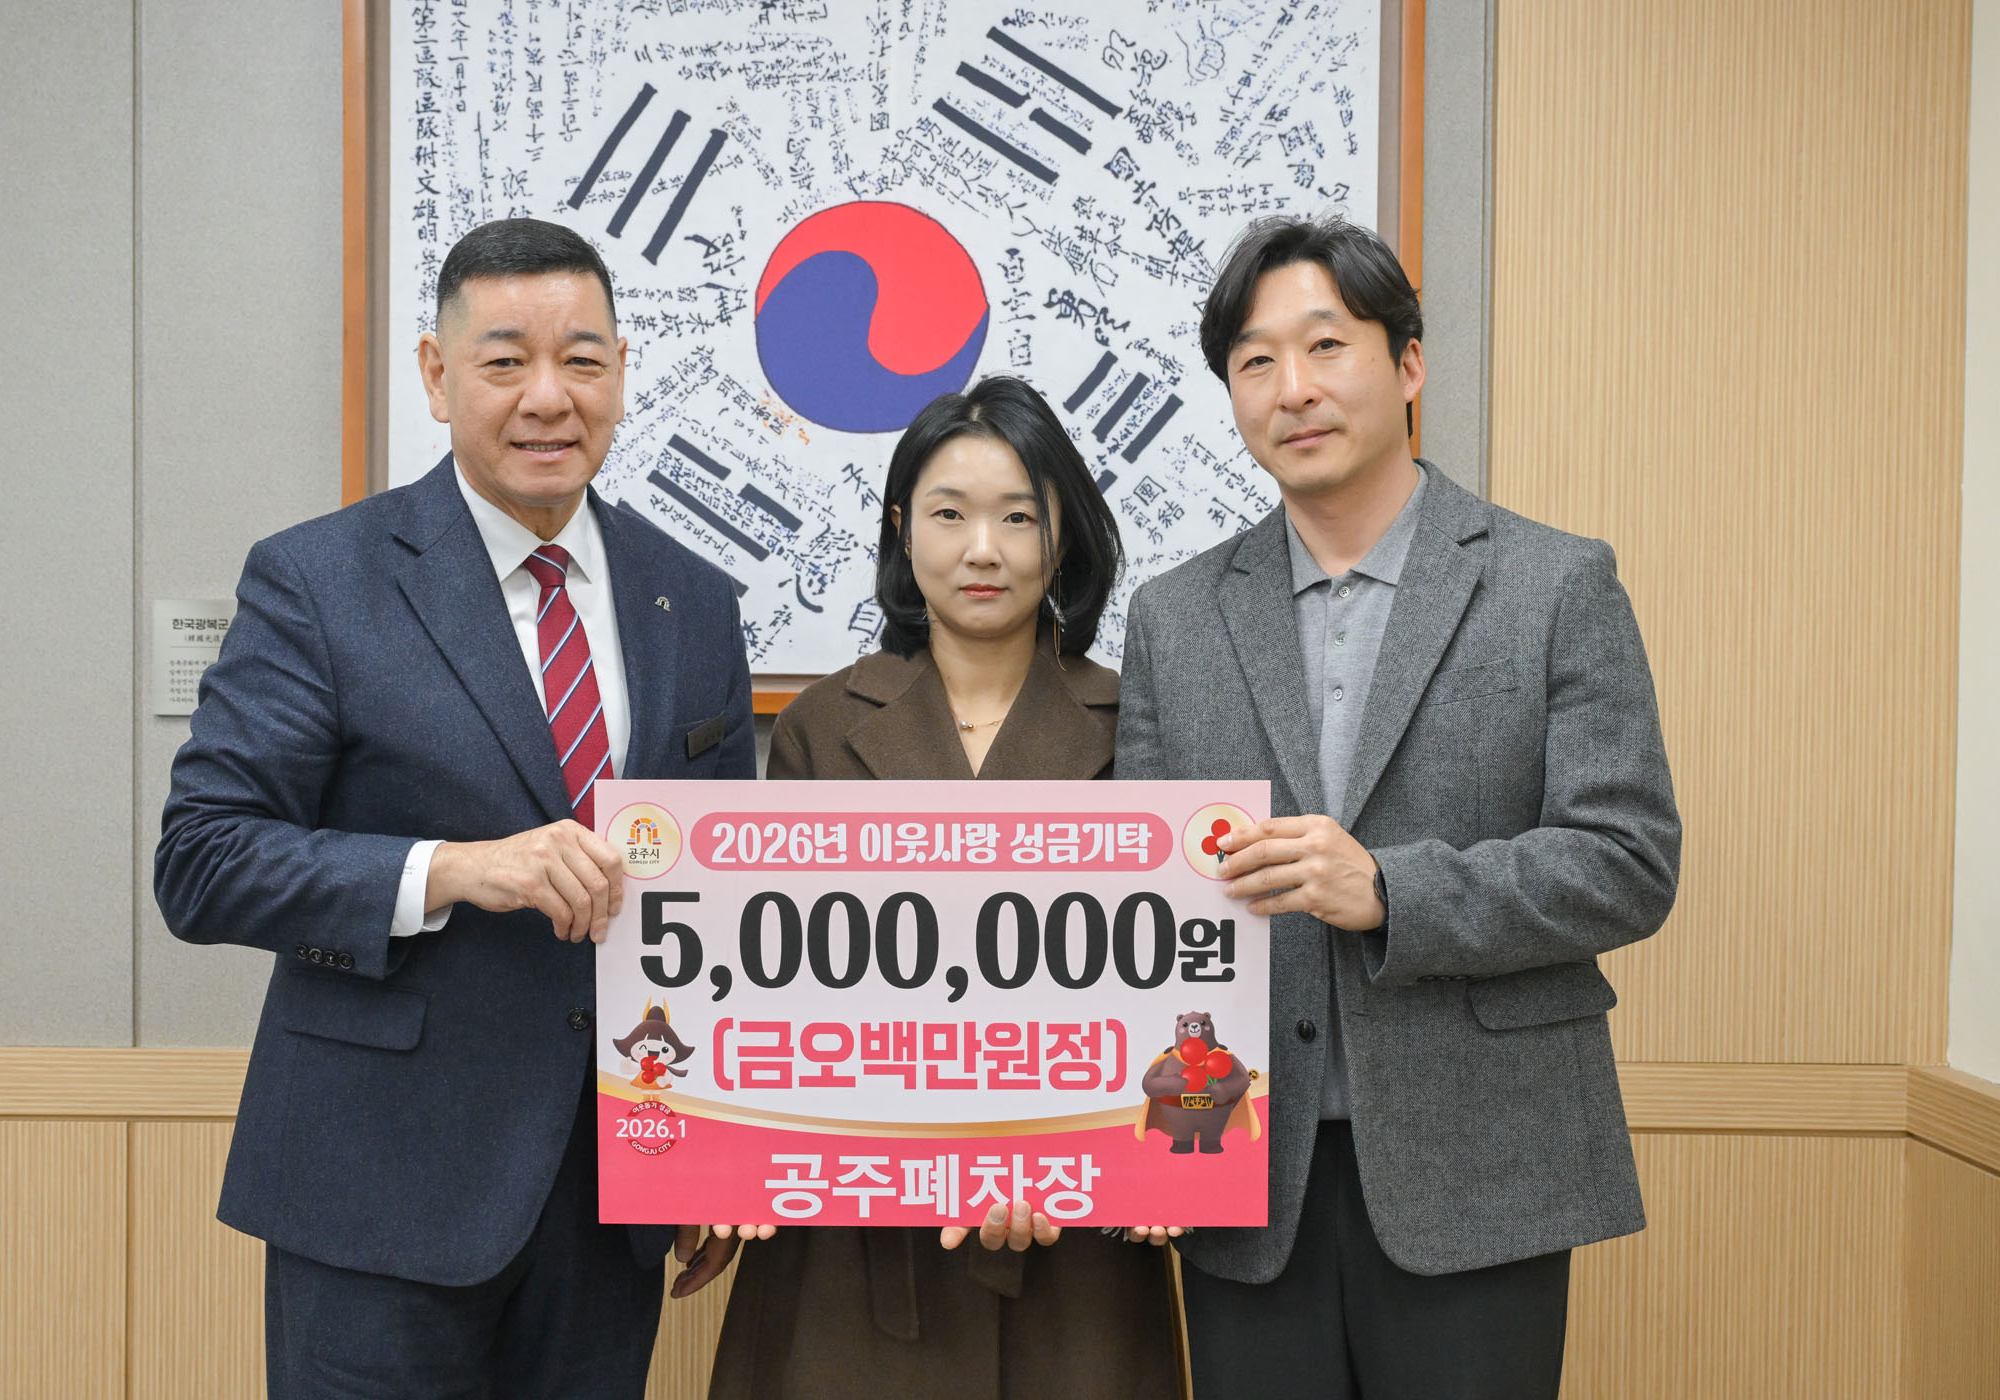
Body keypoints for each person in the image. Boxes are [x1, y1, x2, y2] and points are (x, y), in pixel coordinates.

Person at [154, 217, 755, 1399]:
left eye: (582, 359)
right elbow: (205, 859)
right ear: (437, 376)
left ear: (622, 372)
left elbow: (719, 903)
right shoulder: (321, 579)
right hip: (379, 1189)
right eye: (505, 361)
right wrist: (454, 867)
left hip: (612, 1197)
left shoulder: (692, 598)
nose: (548, 397)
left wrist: (713, 1150)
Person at [1116, 215, 1682, 1397]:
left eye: (1326, 345)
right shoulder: (1175, 615)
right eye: (1255, 361)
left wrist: (1390, 888)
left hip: (1482, 1161)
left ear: (1409, 363)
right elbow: (1147, 908)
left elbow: (1626, 861)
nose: (1293, 387)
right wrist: (1145, 1152)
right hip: (1234, 1169)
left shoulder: (1553, 582)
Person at [705, 376, 1182, 1400]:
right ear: (901, 528)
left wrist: (1172, 1170)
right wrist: (729, 1157)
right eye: (951, 514)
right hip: (857, 1246)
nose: (983, 549)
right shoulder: (821, 725)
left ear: (1063, 534)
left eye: (1019, 516)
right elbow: (765, 989)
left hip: (1080, 1243)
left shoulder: (1141, 720)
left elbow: (1183, 983)